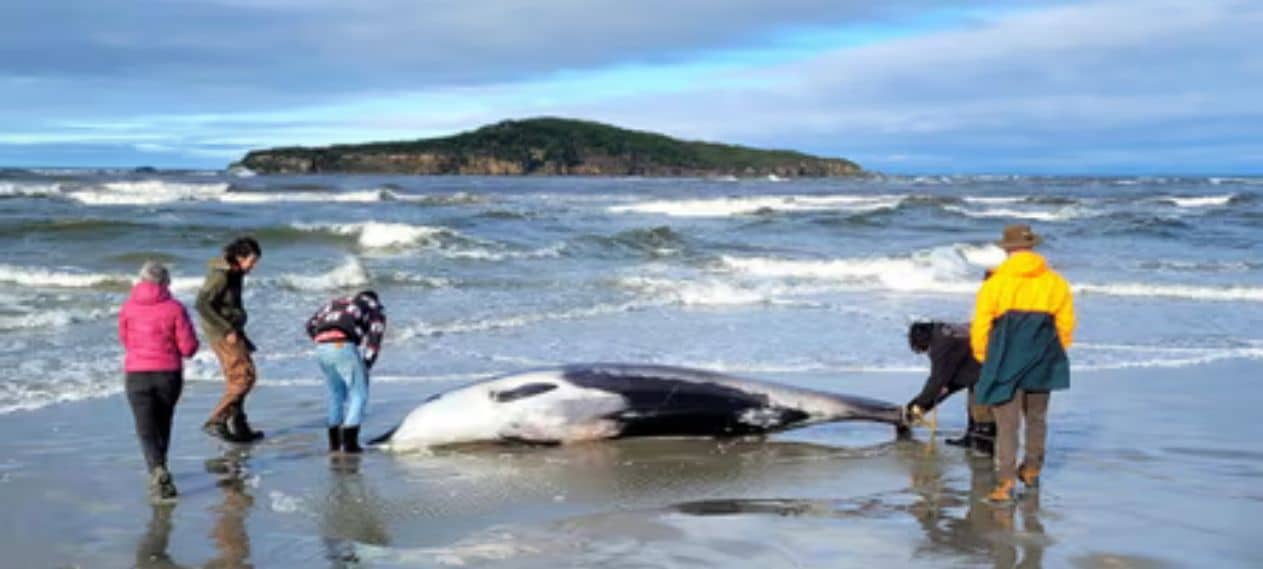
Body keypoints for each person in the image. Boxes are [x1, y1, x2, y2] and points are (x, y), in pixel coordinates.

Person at [971, 224, 1075, 502]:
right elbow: (1066, 324)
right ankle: (1031, 469)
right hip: (1044, 354)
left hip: (1005, 356)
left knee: (1007, 423)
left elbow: (980, 324)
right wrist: (1055, 351)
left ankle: (1005, 482)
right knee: (1037, 419)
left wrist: (983, 356)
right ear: (1032, 249)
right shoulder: (1056, 282)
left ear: (1007, 250)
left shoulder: (996, 282)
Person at [119, 261, 199, 500]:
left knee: (145, 427)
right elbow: (188, 348)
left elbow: (124, 339)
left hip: (136, 373)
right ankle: (160, 468)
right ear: (165, 282)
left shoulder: (127, 307)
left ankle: (156, 470)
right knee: (163, 423)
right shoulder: (175, 308)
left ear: (141, 281)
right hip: (168, 374)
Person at [198, 236, 264, 443]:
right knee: (243, 378)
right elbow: (201, 304)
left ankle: (239, 424)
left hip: (232, 329)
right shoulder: (221, 276)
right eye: (251, 261)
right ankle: (216, 421)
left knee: (243, 376)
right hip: (223, 333)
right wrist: (226, 330)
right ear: (239, 257)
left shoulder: (236, 273)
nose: (253, 266)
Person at [306, 290, 386, 453]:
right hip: (342, 345)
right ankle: (350, 444)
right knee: (359, 394)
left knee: (336, 394)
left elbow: (310, 324)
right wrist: (366, 364)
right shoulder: (374, 306)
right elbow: (375, 336)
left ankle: (334, 444)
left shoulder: (336, 302)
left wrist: (322, 340)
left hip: (321, 348)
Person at [905, 320, 994, 456]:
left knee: (980, 404)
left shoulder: (941, 345)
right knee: (973, 401)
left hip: (987, 362)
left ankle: (985, 445)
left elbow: (937, 382)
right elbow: (945, 382)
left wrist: (917, 405)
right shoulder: (941, 331)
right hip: (977, 360)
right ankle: (971, 437)